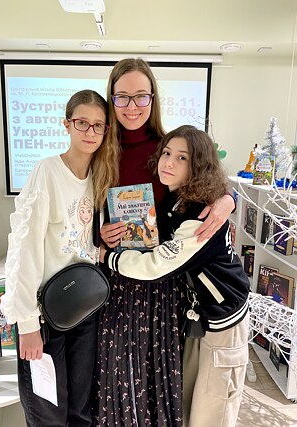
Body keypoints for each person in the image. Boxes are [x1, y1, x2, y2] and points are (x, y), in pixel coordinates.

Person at [95, 58, 236, 426]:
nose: (132, 106)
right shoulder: (98, 149)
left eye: (141, 96)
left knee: (158, 375)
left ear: (153, 98)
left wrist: (228, 199)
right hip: (116, 280)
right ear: (111, 100)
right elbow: (83, 213)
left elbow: (208, 183)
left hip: (163, 283)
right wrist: (101, 234)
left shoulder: (167, 148)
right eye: (122, 97)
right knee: (117, 374)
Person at [0, 89, 119, 427]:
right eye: (82, 123)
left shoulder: (98, 176)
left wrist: (101, 247)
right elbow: (24, 247)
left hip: (84, 310)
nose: (90, 132)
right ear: (67, 124)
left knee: (81, 410)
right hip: (45, 317)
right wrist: (26, 324)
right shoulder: (47, 172)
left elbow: (75, 243)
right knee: (47, 413)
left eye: (99, 126)